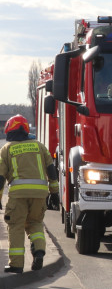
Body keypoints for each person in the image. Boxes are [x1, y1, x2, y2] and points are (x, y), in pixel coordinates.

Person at [0, 115, 58, 273]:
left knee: (16, 226)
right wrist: (55, 193)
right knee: (35, 223)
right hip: (40, 194)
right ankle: (39, 251)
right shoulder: (39, 146)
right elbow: (51, 170)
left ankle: (16, 265)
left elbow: (0, 177)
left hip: (18, 195)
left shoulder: (7, 149)